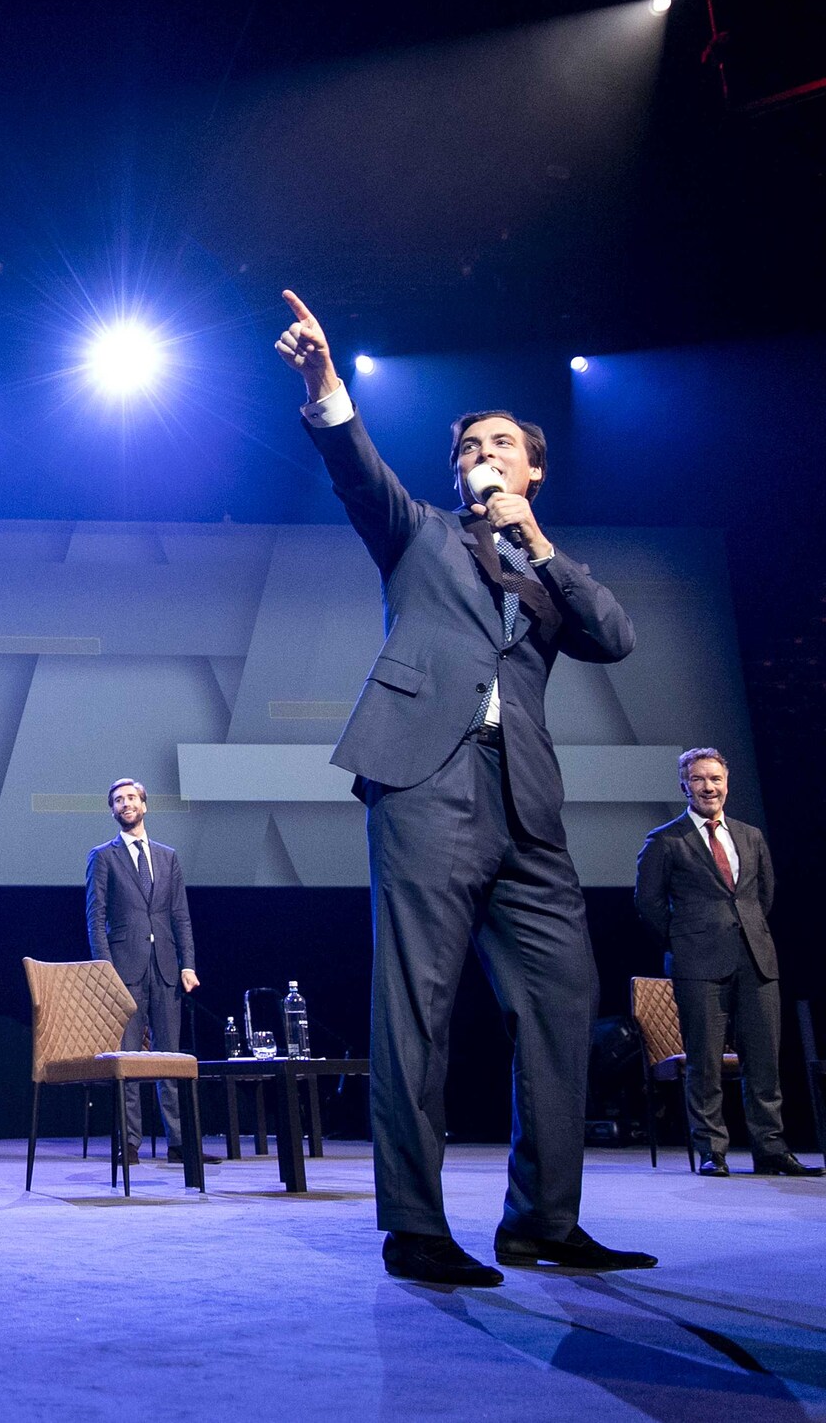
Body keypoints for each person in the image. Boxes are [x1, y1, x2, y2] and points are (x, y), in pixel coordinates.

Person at [276, 291, 655, 1288]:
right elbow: (357, 472)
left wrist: (534, 540)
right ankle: (413, 1224)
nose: (484, 451)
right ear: (454, 469)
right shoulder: (418, 534)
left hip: (525, 803)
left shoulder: (545, 568)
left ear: (531, 468)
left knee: (563, 1005)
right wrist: (325, 388)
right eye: (470, 443)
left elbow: (613, 637)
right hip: (424, 783)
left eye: (502, 441)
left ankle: (541, 1218)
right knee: (416, 1006)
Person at [634, 749, 817, 1177]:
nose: (708, 787)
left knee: (764, 1060)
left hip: (756, 960)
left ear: (727, 783)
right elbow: (648, 903)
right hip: (698, 964)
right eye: (698, 780)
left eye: (715, 779)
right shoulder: (665, 839)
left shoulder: (750, 835)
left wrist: (746, 931)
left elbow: (762, 896)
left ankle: (770, 1149)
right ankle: (712, 1151)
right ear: (685, 786)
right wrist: (685, 939)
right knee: (705, 1060)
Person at [83, 778, 211, 1168]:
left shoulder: (168, 856)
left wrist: (188, 963)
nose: (126, 804)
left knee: (170, 1058)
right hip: (125, 969)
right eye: (118, 800)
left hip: (168, 968)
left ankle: (179, 1142)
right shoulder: (103, 857)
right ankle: (130, 1143)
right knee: (129, 1060)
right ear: (112, 811)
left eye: (132, 798)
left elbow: (180, 916)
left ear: (144, 805)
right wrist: (106, 971)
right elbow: (95, 917)